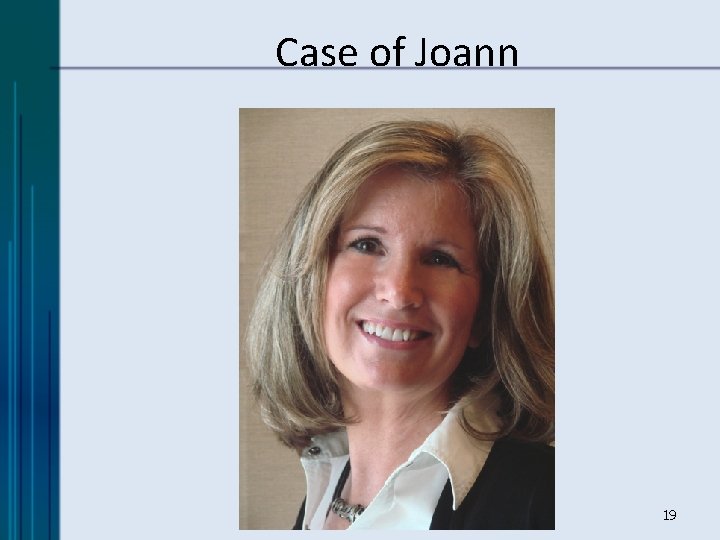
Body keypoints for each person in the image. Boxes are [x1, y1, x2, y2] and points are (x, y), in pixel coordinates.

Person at [246, 120, 554, 530]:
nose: (399, 291)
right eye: (367, 245)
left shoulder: (548, 503)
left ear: (485, 313)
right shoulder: (326, 485)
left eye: (441, 259)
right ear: (312, 281)